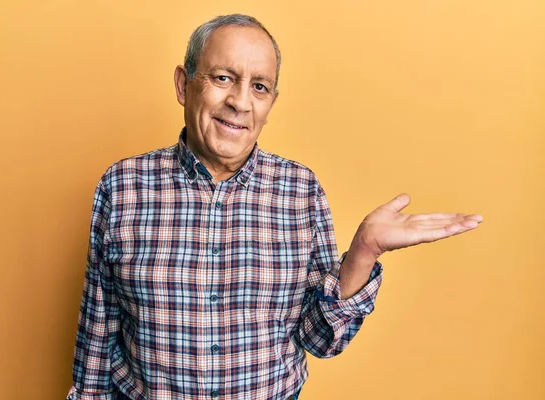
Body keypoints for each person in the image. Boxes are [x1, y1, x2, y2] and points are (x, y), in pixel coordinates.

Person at [66, 14, 482, 400]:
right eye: (223, 77)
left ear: (270, 103)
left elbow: (321, 340)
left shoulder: (301, 191)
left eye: (259, 86)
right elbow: (98, 340)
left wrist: (363, 252)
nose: (240, 102)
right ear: (184, 84)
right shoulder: (122, 186)